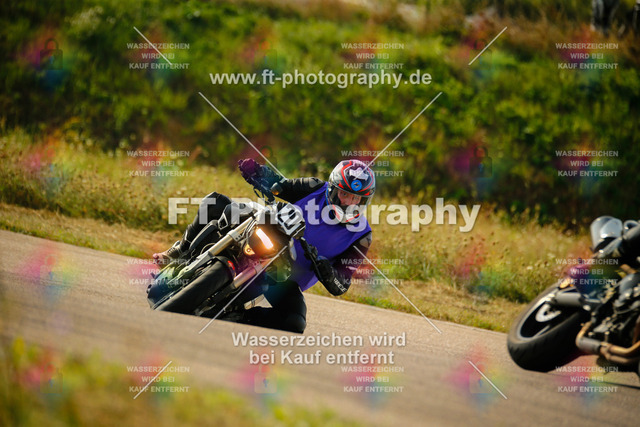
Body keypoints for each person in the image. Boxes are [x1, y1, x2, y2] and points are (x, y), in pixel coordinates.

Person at [153, 158, 375, 333]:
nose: (348, 202)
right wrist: (259, 173)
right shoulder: (314, 187)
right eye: (344, 194)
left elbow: (341, 285)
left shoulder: (362, 236)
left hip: (282, 278)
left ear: (364, 200)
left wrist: (326, 270)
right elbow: (282, 186)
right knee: (215, 202)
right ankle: (180, 252)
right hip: (268, 234)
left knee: (294, 321)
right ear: (332, 188)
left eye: (356, 199)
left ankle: (237, 316)